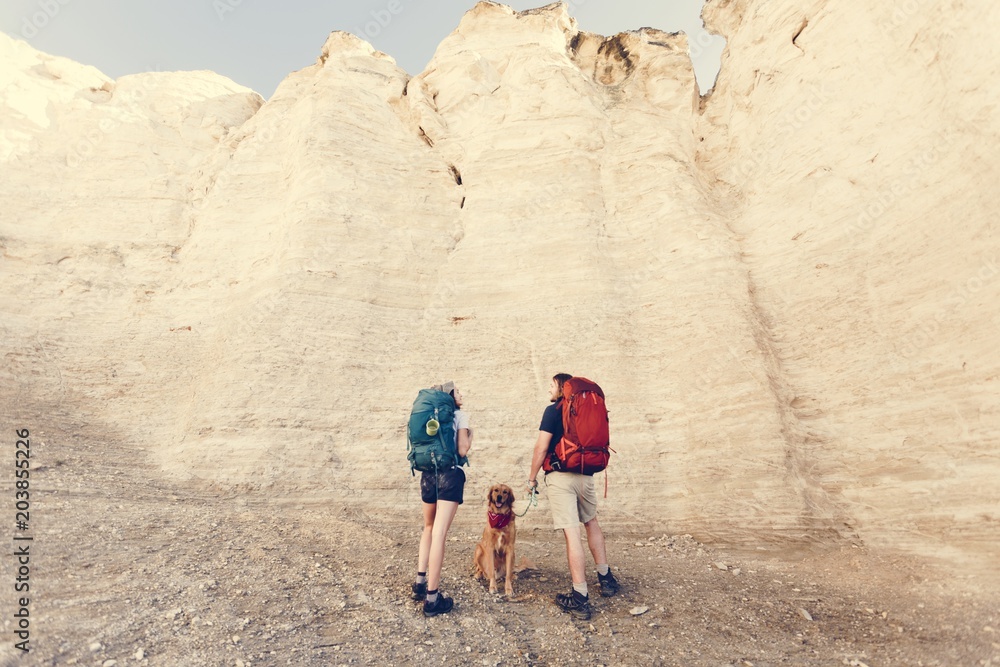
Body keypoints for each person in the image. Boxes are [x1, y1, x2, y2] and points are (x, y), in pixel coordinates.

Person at [528, 373, 619, 621]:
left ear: (562, 387)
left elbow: (541, 447)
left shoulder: (553, 410)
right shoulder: (585, 407)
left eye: (552, 384)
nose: (549, 388)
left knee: (572, 532)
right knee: (591, 522)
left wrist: (532, 477)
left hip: (561, 476)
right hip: (586, 473)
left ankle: (579, 597)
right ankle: (606, 578)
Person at [412, 381, 472, 616]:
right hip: (450, 475)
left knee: (428, 527)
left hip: (428, 474)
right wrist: (470, 435)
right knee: (440, 533)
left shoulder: (430, 415)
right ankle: (432, 598)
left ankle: (419, 583)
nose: (461, 394)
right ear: (450, 396)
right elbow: (463, 450)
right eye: (458, 391)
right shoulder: (459, 415)